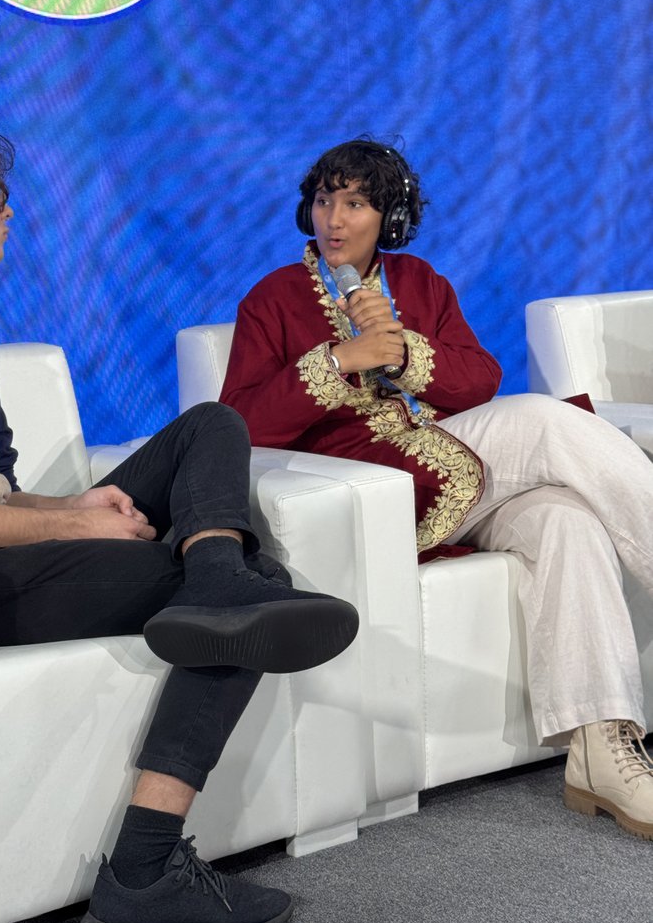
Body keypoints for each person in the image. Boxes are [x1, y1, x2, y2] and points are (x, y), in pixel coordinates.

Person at [0, 109, 359, 923]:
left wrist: (73, 512)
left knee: (211, 426)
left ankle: (214, 575)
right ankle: (142, 873)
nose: (10, 211)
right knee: (263, 595)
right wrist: (72, 522)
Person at [220, 137, 653, 841]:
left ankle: (602, 750)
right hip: (383, 485)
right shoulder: (271, 299)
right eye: (325, 199)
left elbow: (477, 377)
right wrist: (341, 359)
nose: (334, 217)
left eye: (355, 202)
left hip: (467, 478)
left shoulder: (421, 282)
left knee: (567, 519)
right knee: (544, 421)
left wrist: (402, 354)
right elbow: (238, 422)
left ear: (387, 216)